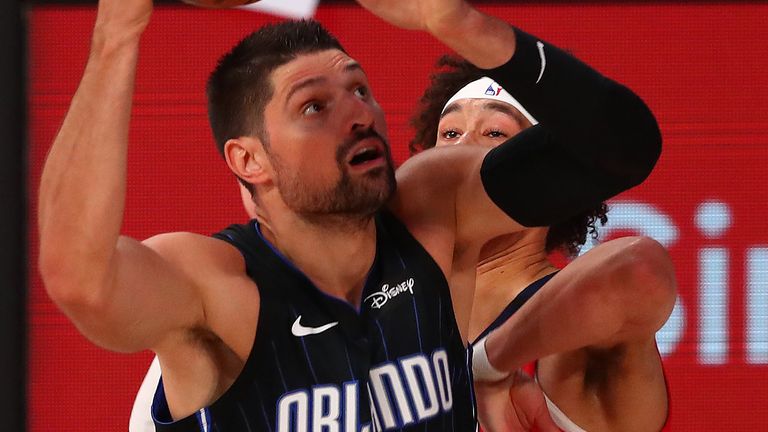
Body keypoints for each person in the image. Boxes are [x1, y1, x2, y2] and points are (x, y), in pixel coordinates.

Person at [37, 0, 662, 429]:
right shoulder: (216, 287)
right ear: (248, 159)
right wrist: (115, 39)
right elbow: (78, 279)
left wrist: (465, 25)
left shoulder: (432, 212)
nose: (358, 112)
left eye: (359, 89)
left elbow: (623, 150)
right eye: (314, 106)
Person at [409, 59, 675, 431]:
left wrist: (489, 364)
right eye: (450, 133)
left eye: (495, 134)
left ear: (549, 179)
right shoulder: (384, 311)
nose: (461, 146)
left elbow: (641, 270)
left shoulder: (567, 344)